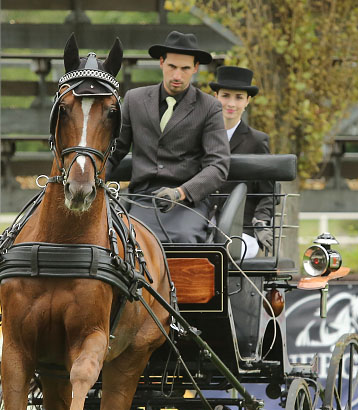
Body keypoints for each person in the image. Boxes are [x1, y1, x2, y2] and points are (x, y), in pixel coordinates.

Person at [106, 31, 229, 243]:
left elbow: (217, 166)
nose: (177, 76)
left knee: (183, 239)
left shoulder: (209, 107)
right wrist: (90, 178)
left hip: (187, 203)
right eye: (172, 66)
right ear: (161, 63)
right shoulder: (135, 100)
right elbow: (114, 151)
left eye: (185, 68)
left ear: (196, 68)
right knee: (123, 239)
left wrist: (181, 192)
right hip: (142, 199)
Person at [210, 65, 275, 257]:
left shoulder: (257, 141)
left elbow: (267, 192)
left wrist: (260, 222)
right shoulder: (201, 137)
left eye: (239, 97)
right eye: (225, 95)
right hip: (201, 225)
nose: (231, 103)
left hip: (242, 230)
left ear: (247, 101)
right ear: (216, 97)